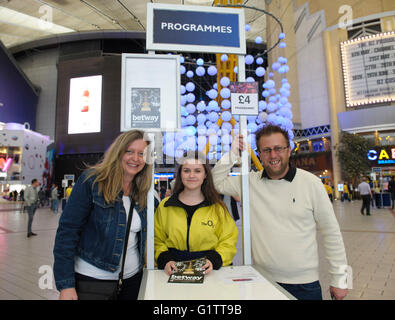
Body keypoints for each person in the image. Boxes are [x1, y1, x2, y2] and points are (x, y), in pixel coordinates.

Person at [212, 125, 348, 300]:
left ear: (289, 150)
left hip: (305, 285)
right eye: (266, 150)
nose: (273, 155)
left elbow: (332, 233)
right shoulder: (249, 183)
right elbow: (216, 182)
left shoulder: (311, 183)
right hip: (262, 281)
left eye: (278, 149)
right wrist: (232, 154)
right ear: (259, 154)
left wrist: (342, 279)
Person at [53, 130, 153, 300]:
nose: (135, 158)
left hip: (132, 280)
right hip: (92, 282)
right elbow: (67, 232)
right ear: (118, 152)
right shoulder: (92, 181)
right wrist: (66, 284)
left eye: (141, 154)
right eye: (129, 151)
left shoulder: (144, 191)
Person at [155, 152, 238, 276]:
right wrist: (165, 259)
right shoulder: (165, 206)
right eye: (186, 170)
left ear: (205, 175)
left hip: (210, 273)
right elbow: (156, 239)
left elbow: (228, 240)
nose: (191, 175)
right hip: (173, 272)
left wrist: (214, 260)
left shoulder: (217, 207)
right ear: (180, 174)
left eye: (198, 171)